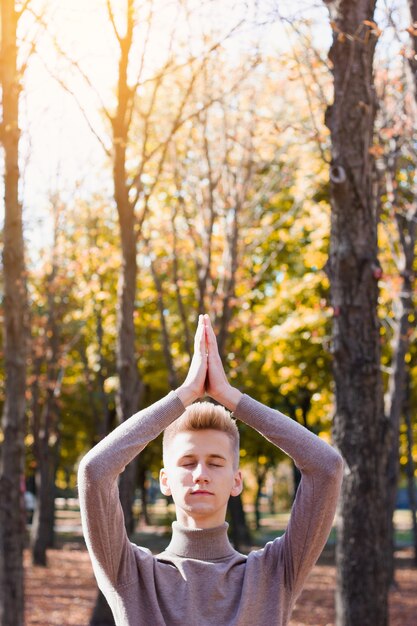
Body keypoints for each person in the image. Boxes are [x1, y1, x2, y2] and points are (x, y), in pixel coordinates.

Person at [78, 314, 343, 626]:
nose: (200, 473)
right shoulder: (130, 575)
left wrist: (231, 397)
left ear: (236, 481)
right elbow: (95, 472)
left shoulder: (274, 573)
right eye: (188, 462)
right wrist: (185, 394)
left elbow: (327, 467)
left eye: (216, 463)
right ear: (165, 481)